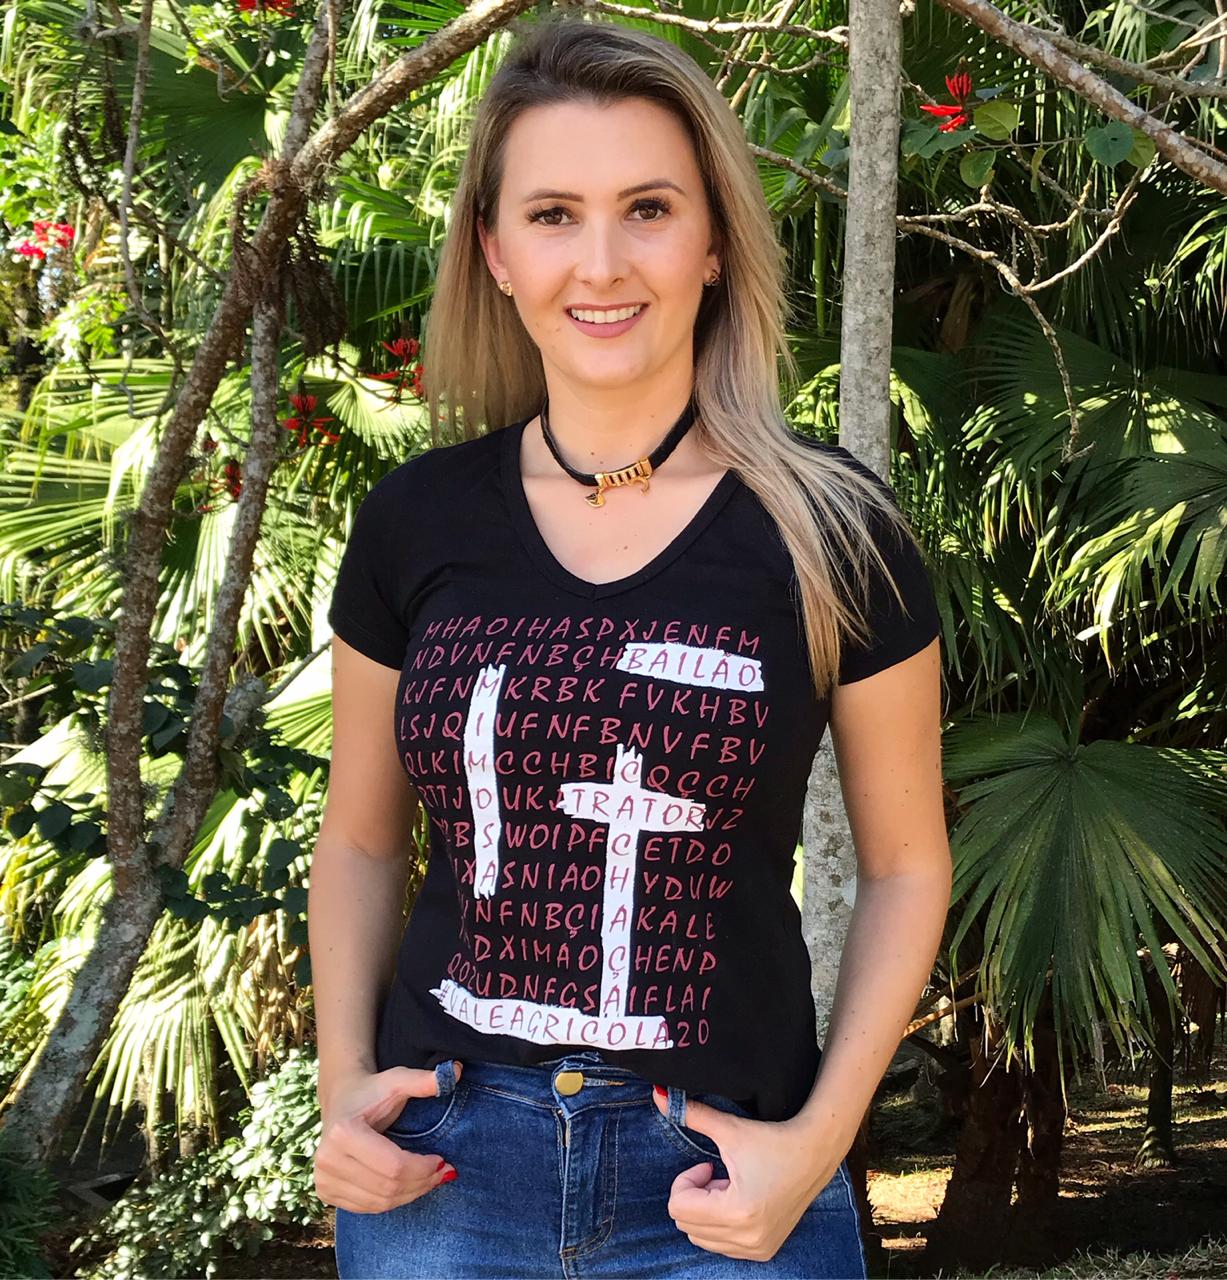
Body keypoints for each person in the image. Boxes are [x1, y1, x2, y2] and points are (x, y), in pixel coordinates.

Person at [310, 14, 951, 1279]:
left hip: (725, 1176)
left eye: (647, 208)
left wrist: (819, 1142)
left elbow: (905, 865)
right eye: (553, 215)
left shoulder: (831, 526)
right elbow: (364, 838)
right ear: (495, 252)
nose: (600, 263)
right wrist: (342, 1087)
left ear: (713, 242)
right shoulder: (415, 520)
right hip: (439, 1169)